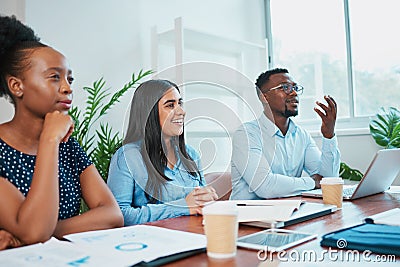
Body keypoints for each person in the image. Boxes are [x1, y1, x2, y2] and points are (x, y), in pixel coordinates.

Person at [0, 15, 123, 250]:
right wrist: (49, 138)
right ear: (17, 86)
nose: (67, 88)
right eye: (54, 77)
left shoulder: (67, 145)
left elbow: (112, 215)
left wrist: (41, 233)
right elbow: (35, 230)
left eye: (69, 78)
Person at [107, 79, 218, 225]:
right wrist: (182, 206)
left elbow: (199, 205)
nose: (181, 111)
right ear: (149, 113)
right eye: (170, 105)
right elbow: (120, 215)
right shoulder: (128, 157)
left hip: (195, 236)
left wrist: (207, 199)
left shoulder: (191, 155)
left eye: (180, 103)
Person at [230, 68, 340, 200]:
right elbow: (265, 187)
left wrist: (329, 136)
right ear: (264, 97)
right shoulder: (246, 134)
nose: (294, 93)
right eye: (285, 87)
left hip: (289, 213)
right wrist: (312, 182)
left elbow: (328, 180)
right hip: (249, 217)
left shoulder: (301, 135)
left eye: (295, 88)